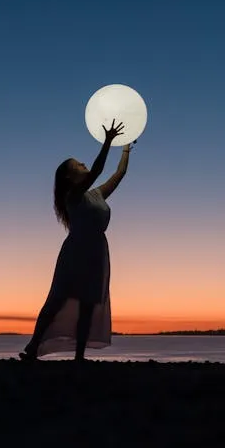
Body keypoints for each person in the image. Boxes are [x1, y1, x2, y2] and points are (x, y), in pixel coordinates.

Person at [20, 119, 134, 362]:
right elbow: (97, 171)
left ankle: (79, 357)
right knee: (57, 300)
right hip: (76, 251)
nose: (83, 164)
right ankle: (33, 346)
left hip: (96, 251)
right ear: (70, 177)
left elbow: (119, 174)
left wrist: (125, 149)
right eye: (78, 164)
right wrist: (107, 142)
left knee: (88, 305)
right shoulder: (73, 195)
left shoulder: (96, 194)